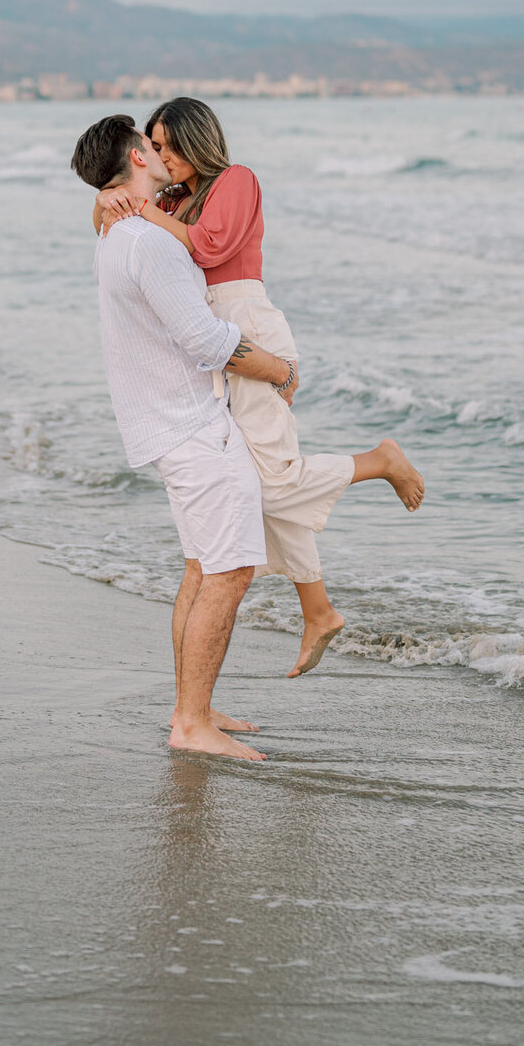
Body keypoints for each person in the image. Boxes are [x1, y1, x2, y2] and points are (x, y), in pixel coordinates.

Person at [95, 96, 424, 678]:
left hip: (247, 326)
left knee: (272, 484)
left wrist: (141, 211)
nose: (160, 154)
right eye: (153, 145)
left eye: (168, 144)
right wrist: (107, 199)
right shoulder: (174, 198)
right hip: (212, 335)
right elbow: (110, 222)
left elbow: (208, 248)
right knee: (258, 482)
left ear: (196, 140)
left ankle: (379, 461)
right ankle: (317, 609)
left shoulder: (235, 180)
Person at [72, 113, 302, 763]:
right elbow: (204, 342)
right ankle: (192, 723)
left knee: (201, 569)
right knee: (228, 573)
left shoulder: (120, 233)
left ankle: (190, 708)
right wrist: (279, 369)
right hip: (195, 429)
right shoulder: (149, 242)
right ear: (137, 158)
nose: (160, 152)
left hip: (166, 425)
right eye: (151, 145)